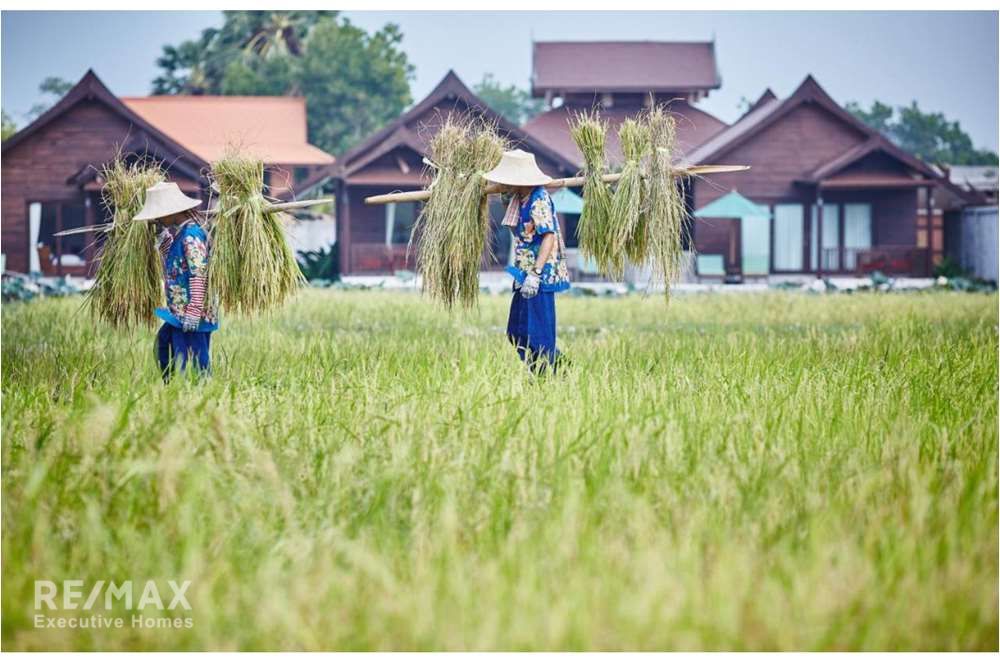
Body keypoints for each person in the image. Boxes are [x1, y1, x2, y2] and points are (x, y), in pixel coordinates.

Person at [485, 150, 570, 373]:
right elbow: (515, 221)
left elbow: (548, 236)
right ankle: (557, 368)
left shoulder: (538, 199)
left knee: (539, 333)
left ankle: (549, 375)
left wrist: (536, 273)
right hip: (523, 273)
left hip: (539, 276)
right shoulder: (518, 199)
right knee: (517, 332)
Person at [132, 181, 218, 381]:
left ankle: (196, 392)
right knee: (165, 343)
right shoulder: (182, 233)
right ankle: (173, 387)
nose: (158, 219)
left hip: (192, 313)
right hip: (178, 311)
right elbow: (175, 259)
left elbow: (198, 273)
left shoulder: (191, 235)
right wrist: (162, 237)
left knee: (193, 357)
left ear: (172, 211)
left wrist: (194, 310)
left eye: (159, 214)